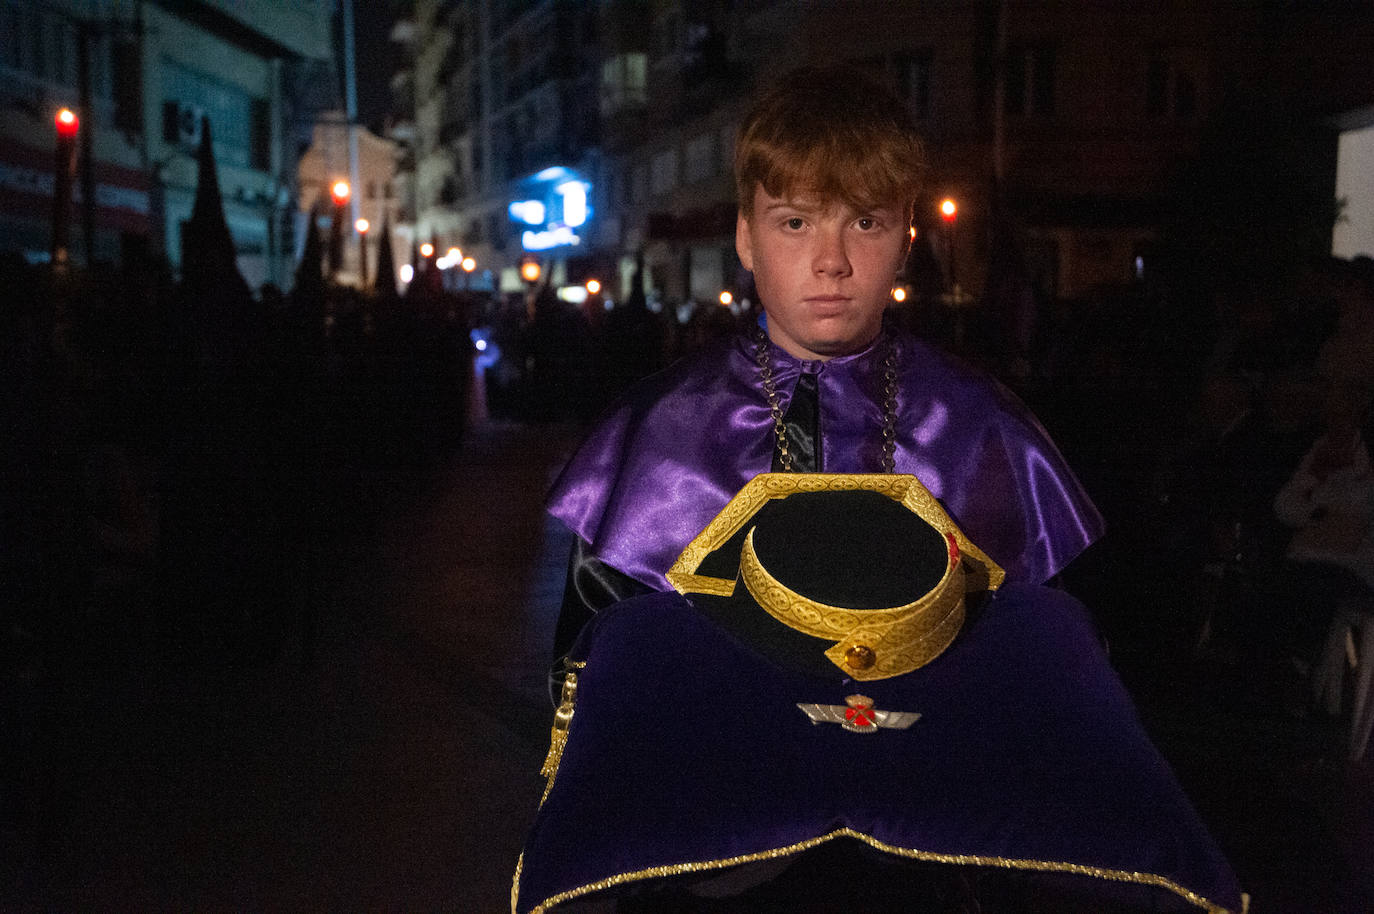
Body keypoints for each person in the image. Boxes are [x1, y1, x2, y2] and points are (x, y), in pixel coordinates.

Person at [546, 64, 1103, 673]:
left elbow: (1057, 679)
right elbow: (591, 688)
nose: (832, 261)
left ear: (906, 241)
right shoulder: (654, 434)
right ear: (746, 238)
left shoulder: (988, 431)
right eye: (795, 222)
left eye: (865, 222)